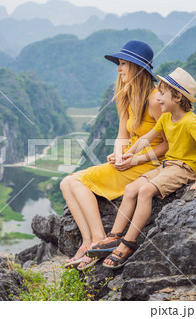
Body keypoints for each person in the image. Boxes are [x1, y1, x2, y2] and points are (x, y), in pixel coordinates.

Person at [92, 67, 196, 269]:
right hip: (167, 165)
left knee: (145, 191)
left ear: (178, 97)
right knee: (130, 189)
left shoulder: (190, 122)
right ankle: (114, 237)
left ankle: (127, 243)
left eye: (162, 94)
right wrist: (130, 153)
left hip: (183, 168)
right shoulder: (165, 117)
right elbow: (147, 138)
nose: (158, 98)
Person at [60, 41, 168, 270]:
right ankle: (88, 242)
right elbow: (122, 134)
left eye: (123, 64)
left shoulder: (155, 100)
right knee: (66, 183)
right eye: (119, 64)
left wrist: (135, 159)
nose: (118, 69)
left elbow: (168, 145)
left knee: (76, 182)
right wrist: (118, 154)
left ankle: (99, 240)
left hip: (148, 165)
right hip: (130, 160)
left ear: (137, 68)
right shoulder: (126, 95)